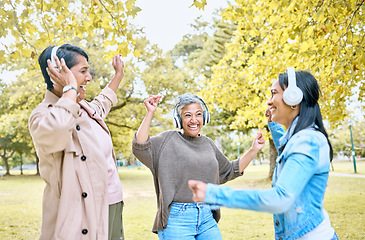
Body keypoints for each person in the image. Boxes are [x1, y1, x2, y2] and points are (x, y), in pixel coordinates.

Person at [188, 68, 339, 240]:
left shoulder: (308, 141)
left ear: (294, 98)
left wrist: (213, 194)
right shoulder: (301, 139)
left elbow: (280, 199)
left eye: (274, 93)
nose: (269, 101)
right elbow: (290, 155)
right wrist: (274, 127)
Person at [132, 93, 265, 239]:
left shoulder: (208, 144)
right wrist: (150, 113)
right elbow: (140, 147)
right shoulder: (166, 140)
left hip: (207, 217)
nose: (194, 120)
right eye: (188, 115)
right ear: (179, 119)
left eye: (198, 114)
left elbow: (229, 171)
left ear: (204, 117)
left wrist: (254, 150)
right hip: (177, 220)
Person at [29, 44, 125, 240]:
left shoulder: (85, 108)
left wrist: (118, 75)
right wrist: (70, 89)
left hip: (113, 202)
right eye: (83, 71)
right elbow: (57, 130)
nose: (89, 77)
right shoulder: (43, 114)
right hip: (80, 214)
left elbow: (103, 101)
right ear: (58, 72)